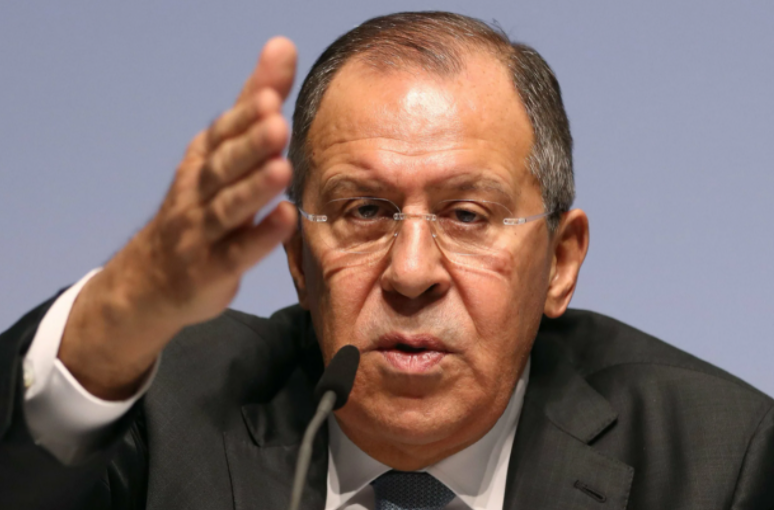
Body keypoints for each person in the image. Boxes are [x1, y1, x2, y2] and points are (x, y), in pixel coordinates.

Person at [1, 11, 772, 510]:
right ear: (300, 261)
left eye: (467, 216)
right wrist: (119, 313)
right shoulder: (170, 406)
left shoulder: (714, 463)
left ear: (561, 263)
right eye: (365, 212)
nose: (410, 273)